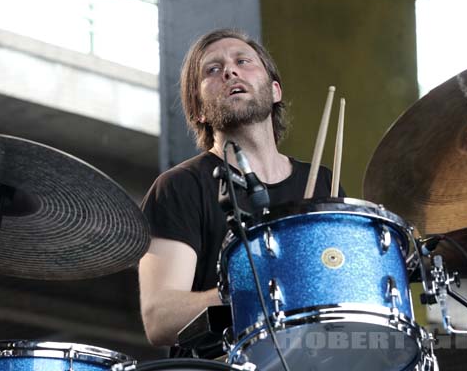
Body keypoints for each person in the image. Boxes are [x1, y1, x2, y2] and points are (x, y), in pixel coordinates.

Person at [138, 28, 341, 352]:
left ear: (275, 91)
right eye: (212, 69)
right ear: (200, 109)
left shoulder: (321, 183)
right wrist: (252, 287)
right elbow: (159, 318)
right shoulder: (180, 187)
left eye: (243, 61)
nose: (230, 71)